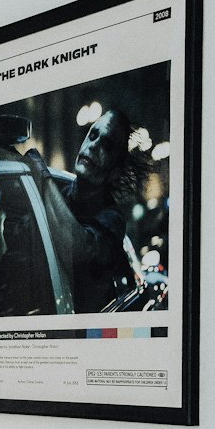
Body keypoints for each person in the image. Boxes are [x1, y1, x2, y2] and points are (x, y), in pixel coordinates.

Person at [53, 109, 140, 311]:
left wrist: (43, 179)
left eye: (107, 146)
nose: (93, 146)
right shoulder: (59, 196)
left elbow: (79, 248)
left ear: (114, 173)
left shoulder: (112, 219)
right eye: (92, 136)